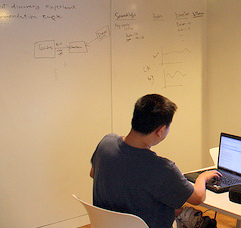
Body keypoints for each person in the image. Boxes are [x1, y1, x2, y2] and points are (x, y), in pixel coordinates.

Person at [90, 94, 221, 228]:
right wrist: (202, 178)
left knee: (174, 209)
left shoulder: (106, 143)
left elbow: (93, 173)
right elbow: (197, 198)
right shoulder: (163, 168)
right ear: (161, 130)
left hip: (108, 224)